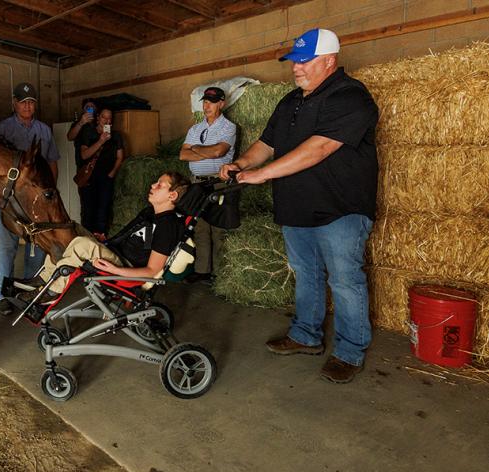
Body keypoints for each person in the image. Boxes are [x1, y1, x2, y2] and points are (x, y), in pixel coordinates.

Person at [219, 28, 378, 384]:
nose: (296, 68)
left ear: (330, 61)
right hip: (296, 207)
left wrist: (262, 176)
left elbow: (319, 148)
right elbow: (267, 143)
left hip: (341, 209)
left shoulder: (351, 97)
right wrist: (243, 164)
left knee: (345, 280)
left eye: (305, 61)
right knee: (306, 274)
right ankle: (306, 335)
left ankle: (350, 352)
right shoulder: (291, 101)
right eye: (294, 61)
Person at [27, 171, 191, 300]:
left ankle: (53, 291)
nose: (153, 185)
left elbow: (151, 270)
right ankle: (45, 277)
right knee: (71, 228)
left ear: (172, 195)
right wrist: (105, 242)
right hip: (115, 251)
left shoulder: (167, 226)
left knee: (81, 244)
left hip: (125, 265)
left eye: (160, 185)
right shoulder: (149, 213)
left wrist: (116, 269)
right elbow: (128, 235)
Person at [0, 82, 60, 316]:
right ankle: (1, 293)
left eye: (31, 102)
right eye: (23, 102)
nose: (28, 106)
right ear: (14, 103)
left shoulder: (44, 130)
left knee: (37, 245)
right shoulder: (2, 129)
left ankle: (30, 291)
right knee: (7, 246)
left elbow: (52, 161)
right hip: (10, 198)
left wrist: (50, 191)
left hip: (35, 199)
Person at [179, 87, 236, 284]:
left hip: (218, 182)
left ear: (221, 103)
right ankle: (202, 271)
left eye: (211, 101)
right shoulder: (195, 129)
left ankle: (219, 274)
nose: (206, 105)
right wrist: (206, 150)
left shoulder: (228, 127)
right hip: (197, 183)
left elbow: (218, 152)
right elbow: (182, 155)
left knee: (218, 228)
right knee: (200, 228)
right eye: (205, 101)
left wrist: (195, 148)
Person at [78, 106, 124, 240]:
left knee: (103, 210)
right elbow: (84, 155)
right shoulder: (89, 132)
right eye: (104, 117)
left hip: (106, 177)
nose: (107, 120)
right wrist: (101, 140)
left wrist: (112, 173)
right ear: (98, 118)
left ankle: (101, 241)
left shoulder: (116, 136)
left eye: (110, 118)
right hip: (89, 178)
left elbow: (120, 156)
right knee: (88, 210)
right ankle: (86, 241)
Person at [66, 98, 98, 166]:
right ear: (83, 109)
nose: (90, 109)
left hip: (96, 162)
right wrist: (81, 123)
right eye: (87, 107)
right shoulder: (77, 124)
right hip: (81, 163)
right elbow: (69, 137)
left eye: (92, 107)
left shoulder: (98, 123)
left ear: (95, 109)